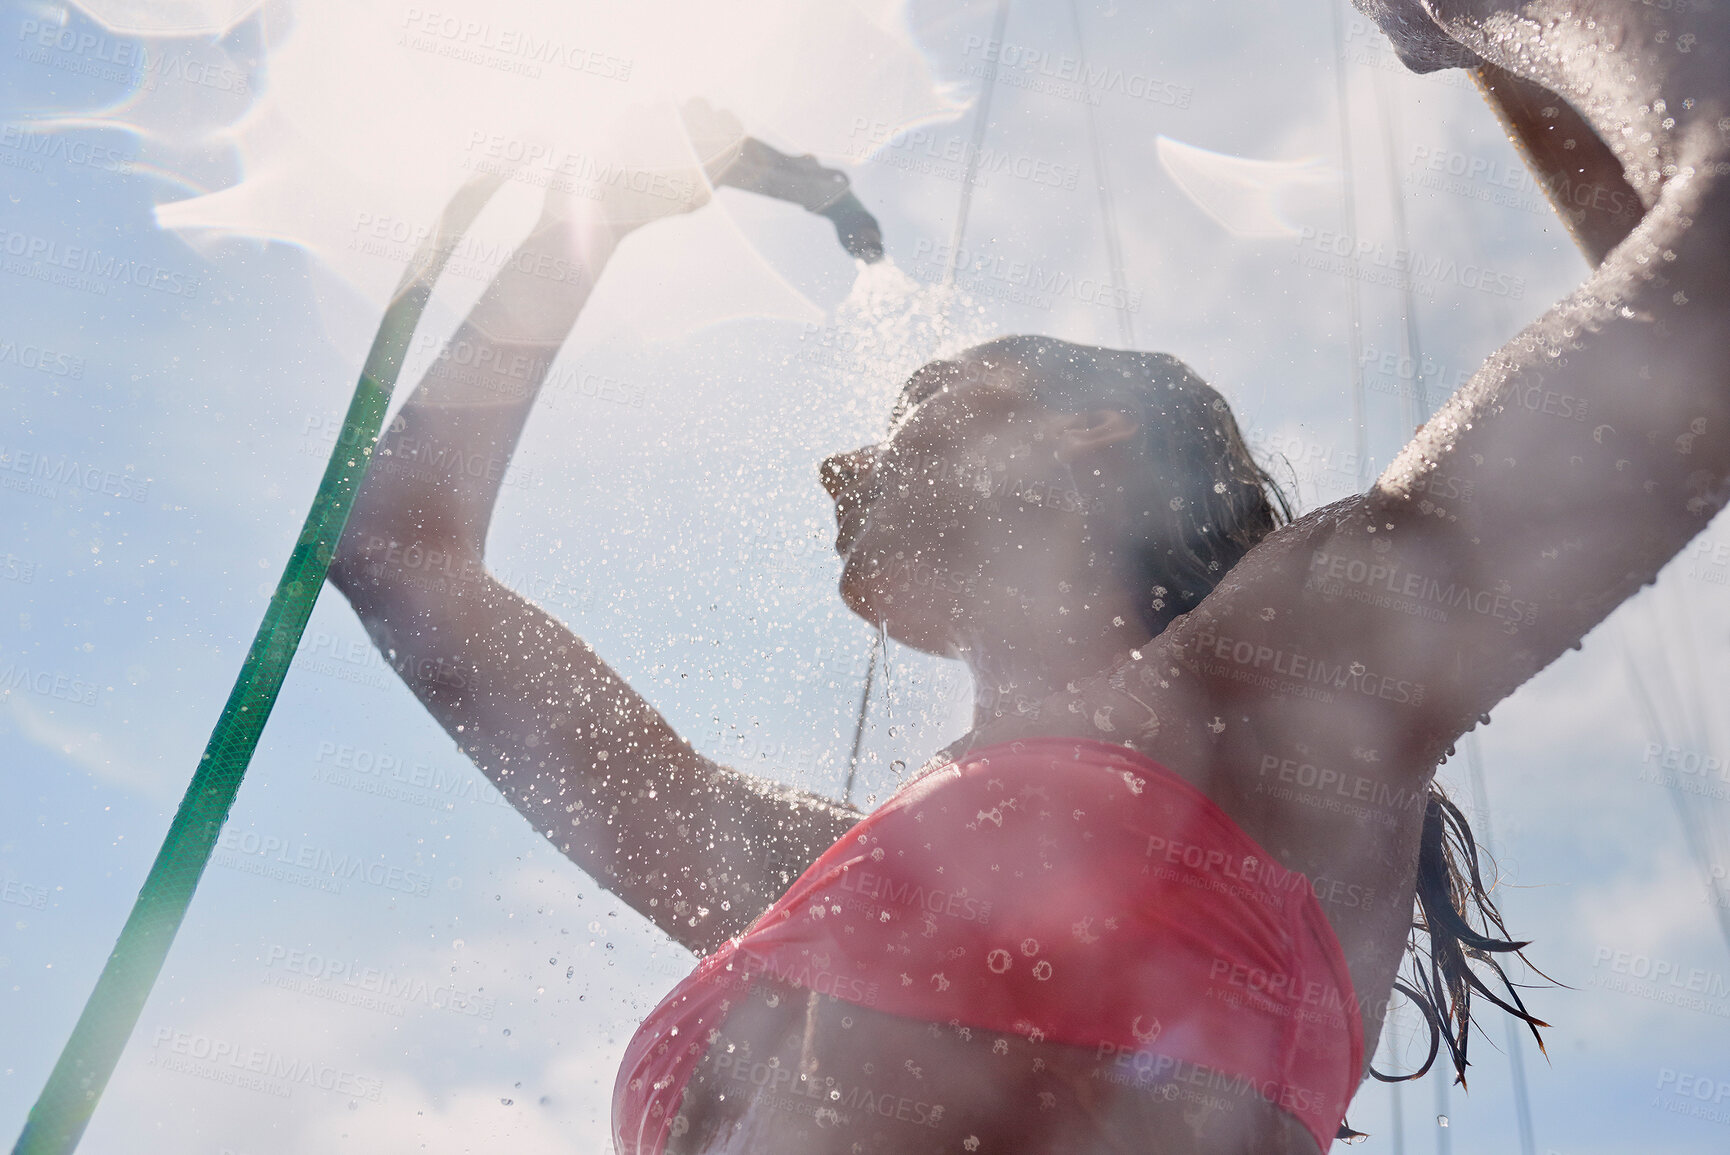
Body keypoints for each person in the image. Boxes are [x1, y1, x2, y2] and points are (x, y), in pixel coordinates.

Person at [329, 3, 1730, 1149]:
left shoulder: (1284, 687)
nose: (856, 458)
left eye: (933, 398)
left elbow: (1705, 309)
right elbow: (401, 561)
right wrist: (585, 221)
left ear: (1093, 428)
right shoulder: (820, 876)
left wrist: (1479, 14)